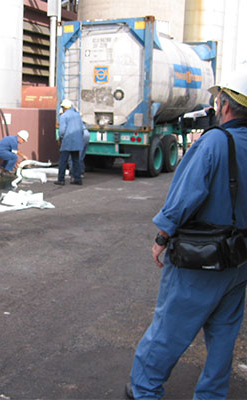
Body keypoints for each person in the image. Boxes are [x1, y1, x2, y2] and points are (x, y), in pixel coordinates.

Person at [126, 70, 247, 399]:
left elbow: (184, 197)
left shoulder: (215, 142)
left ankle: (145, 390)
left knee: (170, 328)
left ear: (223, 104)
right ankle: (211, 395)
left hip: (201, 258)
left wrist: (162, 237)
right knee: (223, 333)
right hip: (240, 259)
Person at [54, 99, 84, 186]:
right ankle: (77, 179)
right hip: (77, 141)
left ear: (64, 107)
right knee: (76, 160)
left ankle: (61, 179)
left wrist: (60, 139)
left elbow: (62, 130)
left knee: (63, 161)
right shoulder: (77, 115)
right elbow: (81, 129)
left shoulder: (64, 116)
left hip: (67, 141)